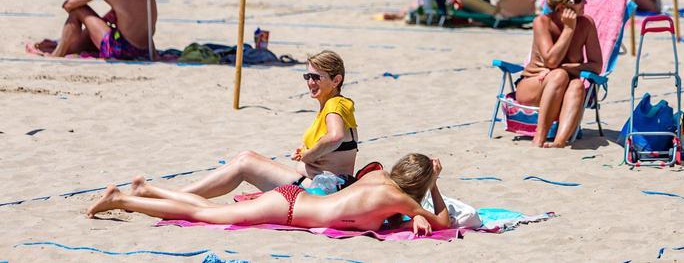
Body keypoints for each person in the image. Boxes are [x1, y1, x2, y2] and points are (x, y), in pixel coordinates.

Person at [88, 153, 451, 236]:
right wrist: (434, 184)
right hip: (290, 209)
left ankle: (147, 189)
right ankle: (121, 199)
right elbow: (442, 222)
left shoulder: (380, 179)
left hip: (292, 199)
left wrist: (415, 208)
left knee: (208, 210)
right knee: (202, 215)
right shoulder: (404, 200)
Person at [178, 51, 359, 198]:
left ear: (336, 80)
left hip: (322, 191)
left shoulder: (335, 104)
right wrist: (307, 150)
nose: (310, 82)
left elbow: (335, 137)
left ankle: (179, 196)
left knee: (245, 163)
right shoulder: (334, 105)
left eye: (317, 77)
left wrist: (309, 155)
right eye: (307, 76)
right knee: (245, 156)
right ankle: (180, 195)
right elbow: (334, 145)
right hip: (321, 185)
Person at [515, 0, 601, 147]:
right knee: (559, 75)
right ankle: (539, 138)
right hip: (534, 86)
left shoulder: (587, 24)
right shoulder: (542, 22)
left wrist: (569, 67)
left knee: (577, 84)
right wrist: (569, 30)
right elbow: (551, 63)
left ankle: (559, 141)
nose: (585, 1)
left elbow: (597, 66)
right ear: (563, 6)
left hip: (563, 89)